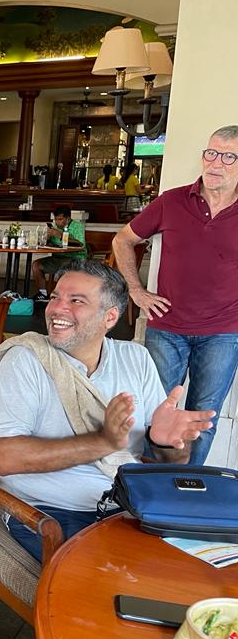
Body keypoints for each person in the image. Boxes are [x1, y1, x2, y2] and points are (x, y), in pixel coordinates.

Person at [0, 260, 214, 561]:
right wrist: (102, 442)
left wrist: (167, 443)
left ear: (110, 317)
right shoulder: (25, 360)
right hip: (49, 512)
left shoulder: (135, 358)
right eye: (55, 297)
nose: (56, 309)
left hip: (129, 507)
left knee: (199, 568)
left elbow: (172, 461)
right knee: (113, 581)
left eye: (76, 301)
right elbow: (5, 457)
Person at [113, 125, 238, 467]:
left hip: (224, 333)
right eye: (211, 153)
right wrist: (136, 290)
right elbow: (123, 240)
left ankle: (185, 486)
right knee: (152, 413)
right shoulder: (172, 201)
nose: (215, 162)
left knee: (203, 418)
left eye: (229, 157)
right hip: (166, 328)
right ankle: (144, 486)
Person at [31, 205, 86, 299]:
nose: (57, 222)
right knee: (36, 265)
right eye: (56, 219)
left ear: (68, 219)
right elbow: (48, 244)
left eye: (60, 219)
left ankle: (65, 297)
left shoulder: (77, 226)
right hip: (57, 258)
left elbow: (80, 244)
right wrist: (46, 238)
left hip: (75, 258)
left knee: (65, 270)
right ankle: (43, 294)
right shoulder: (54, 227)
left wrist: (60, 235)